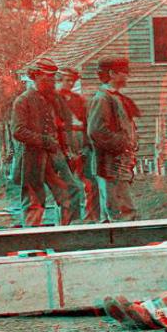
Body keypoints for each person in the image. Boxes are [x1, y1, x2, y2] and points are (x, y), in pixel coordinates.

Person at [10, 58, 85, 227]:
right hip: (31, 158)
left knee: (71, 192)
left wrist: (67, 151)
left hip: (55, 157)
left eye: (53, 77)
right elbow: (18, 131)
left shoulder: (55, 99)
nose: (52, 81)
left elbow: (62, 126)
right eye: (48, 77)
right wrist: (44, 140)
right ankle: (32, 239)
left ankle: (65, 233)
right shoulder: (23, 101)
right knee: (34, 202)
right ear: (36, 76)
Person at [87, 57, 140, 222]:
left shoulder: (115, 97)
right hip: (111, 165)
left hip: (118, 165)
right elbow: (96, 131)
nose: (127, 76)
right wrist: (123, 143)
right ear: (112, 74)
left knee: (114, 214)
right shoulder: (103, 98)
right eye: (123, 72)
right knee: (123, 213)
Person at [56, 66, 101, 222]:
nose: (70, 83)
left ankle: (91, 219)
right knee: (67, 186)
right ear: (59, 80)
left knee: (91, 183)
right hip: (63, 146)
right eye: (67, 80)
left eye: (72, 81)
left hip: (81, 145)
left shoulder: (79, 100)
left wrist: (87, 146)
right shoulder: (53, 100)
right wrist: (63, 149)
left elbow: (87, 123)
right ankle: (66, 222)